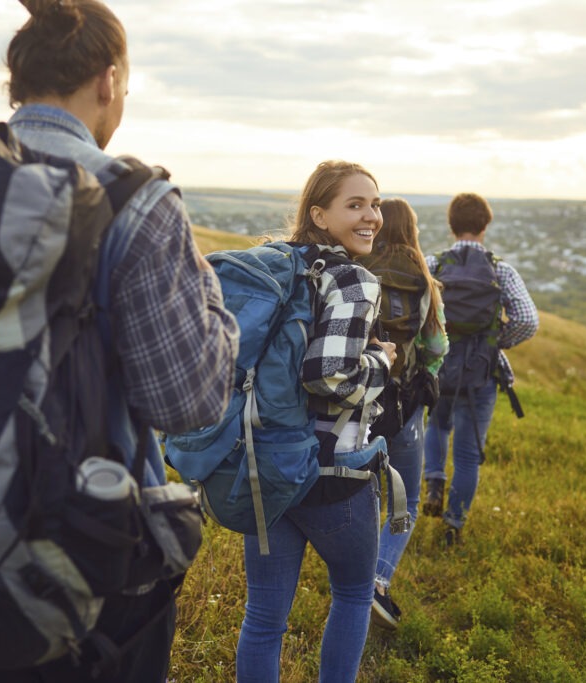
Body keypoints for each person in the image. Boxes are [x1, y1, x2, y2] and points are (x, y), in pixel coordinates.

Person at [0, 1, 240, 681]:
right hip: (87, 566)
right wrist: (211, 298)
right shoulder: (132, 198)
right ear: (107, 81)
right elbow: (189, 400)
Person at [236, 161, 397, 682]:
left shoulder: (274, 263)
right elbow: (327, 376)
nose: (372, 216)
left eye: (375, 204)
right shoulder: (353, 279)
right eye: (356, 205)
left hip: (265, 466)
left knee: (263, 619)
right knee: (352, 593)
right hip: (332, 474)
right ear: (319, 214)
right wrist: (382, 364)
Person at [422, 192, 538, 546]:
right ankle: (453, 526)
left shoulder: (433, 264)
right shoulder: (501, 269)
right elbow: (527, 321)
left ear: (451, 225)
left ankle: (434, 481)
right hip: (481, 374)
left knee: (437, 425)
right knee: (470, 455)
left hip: (439, 366)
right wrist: (493, 342)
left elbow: (417, 312)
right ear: (485, 226)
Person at [358, 198, 448, 630]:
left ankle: (352, 576)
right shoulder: (424, 282)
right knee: (406, 499)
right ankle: (375, 581)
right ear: (411, 229)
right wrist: (426, 372)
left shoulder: (356, 269)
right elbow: (436, 348)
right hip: (404, 402)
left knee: (360, 491)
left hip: (354, 400)